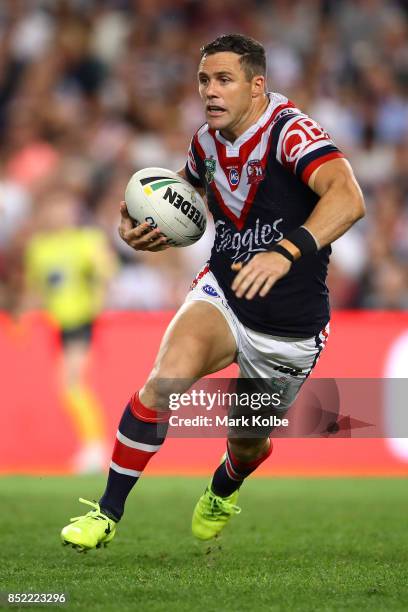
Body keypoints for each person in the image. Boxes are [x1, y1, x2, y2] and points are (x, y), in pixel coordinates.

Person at [61, 34, 365, 551]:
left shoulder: (291, 133)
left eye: (224, 79)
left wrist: (285, 252)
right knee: (163, 382)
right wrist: (138, 227)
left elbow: (349, 197)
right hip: (223, 293)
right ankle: (106, 512)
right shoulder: (205, 141)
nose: (211, 91)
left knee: (247, 442)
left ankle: (226, 483)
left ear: (257, 85)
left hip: (289, 328)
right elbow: (183, 197)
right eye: (204, 79)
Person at [24, 189, 117, 472]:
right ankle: (92, 445)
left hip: (82, 319)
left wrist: (98, 292)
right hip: (57, 324)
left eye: (65, 209)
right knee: (69, 385)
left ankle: (95, 447)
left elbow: (107, 271)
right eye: (55, 209)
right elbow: (36, 288)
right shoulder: (39, 247)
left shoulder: (86, 240)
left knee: (73, 382)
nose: (60, 215)